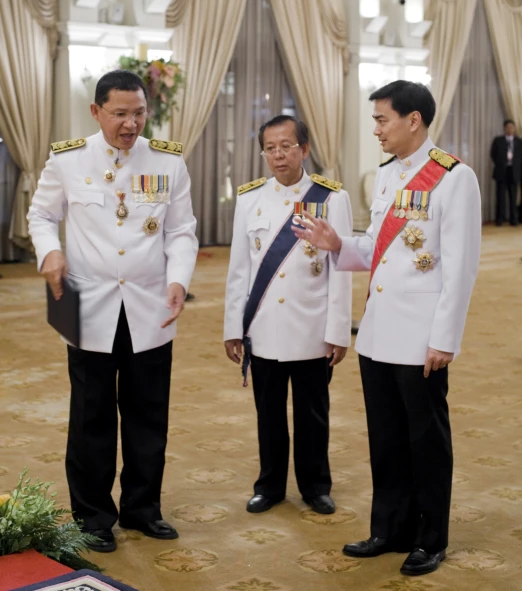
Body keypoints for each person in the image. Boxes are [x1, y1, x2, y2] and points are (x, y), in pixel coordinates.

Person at [292, 81, 481, 576]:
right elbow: (378, 248)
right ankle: (389, 528)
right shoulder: (383, 177)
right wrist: (338, 244)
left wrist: (445, 337)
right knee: (386, 437)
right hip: (378, 330)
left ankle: (430, 537)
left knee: (426, 438)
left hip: (421, 334)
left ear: (412, 119)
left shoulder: (453, 178)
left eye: (381, 119)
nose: (375, 128)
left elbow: (460, 267)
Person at [28, 70, 198, 553]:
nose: (131, 124)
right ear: (96, 111)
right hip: (82, 302)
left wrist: (178, 279)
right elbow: (41, 215)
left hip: (149, 303)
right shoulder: (68, 159)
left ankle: (143, 509)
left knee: (148, 413)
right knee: (90, 415)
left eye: (138, 113)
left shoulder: (167, 160)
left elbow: (182, 230)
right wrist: (49, 253)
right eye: (120, 113)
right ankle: (93, 517)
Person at [224, 115, 352, 515]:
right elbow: (238, 269)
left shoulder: (332, 198)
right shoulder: (249, 199)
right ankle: (270, 485)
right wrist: (233, 328)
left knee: (313, 412)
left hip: (312, 328)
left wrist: (338, 331)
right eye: (270, 148)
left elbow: (341, 270)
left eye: (287, 146)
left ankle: (316, 486)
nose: (278, 155)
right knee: (269, 413)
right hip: (264, 328)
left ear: (305, 149)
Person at [490, 119, 521, 226]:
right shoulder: (498, 140)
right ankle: (500, 219)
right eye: (507, 127)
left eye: (512, 127)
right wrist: (501, 163)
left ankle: (514, 220)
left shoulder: (519, 141)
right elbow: (493, 155)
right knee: (500, 197)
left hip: (515, 172)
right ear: (504, 128)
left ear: (514, 128)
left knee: (513, 197)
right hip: (501, 171)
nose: (510, 129)